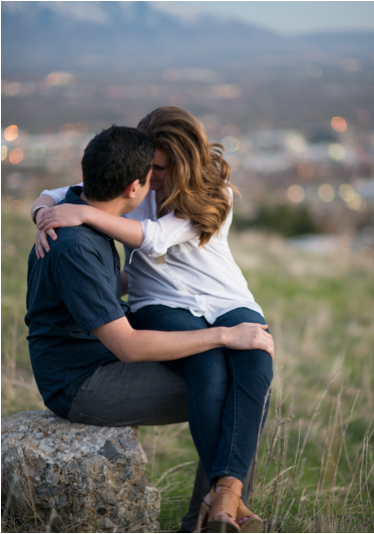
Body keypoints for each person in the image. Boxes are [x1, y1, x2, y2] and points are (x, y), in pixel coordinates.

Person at [31, 108, 272, 532]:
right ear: (134, 184)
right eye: (149, 170)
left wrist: (49, 210)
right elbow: (126, 344)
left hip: (104, 355)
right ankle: (211, 513)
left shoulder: (86, 215)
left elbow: (123, 262)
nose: (154, 177)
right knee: (223, 387)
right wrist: (223, 335)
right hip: (82, 381)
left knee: (247, 376)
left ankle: (219, 506)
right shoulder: (77, 242)